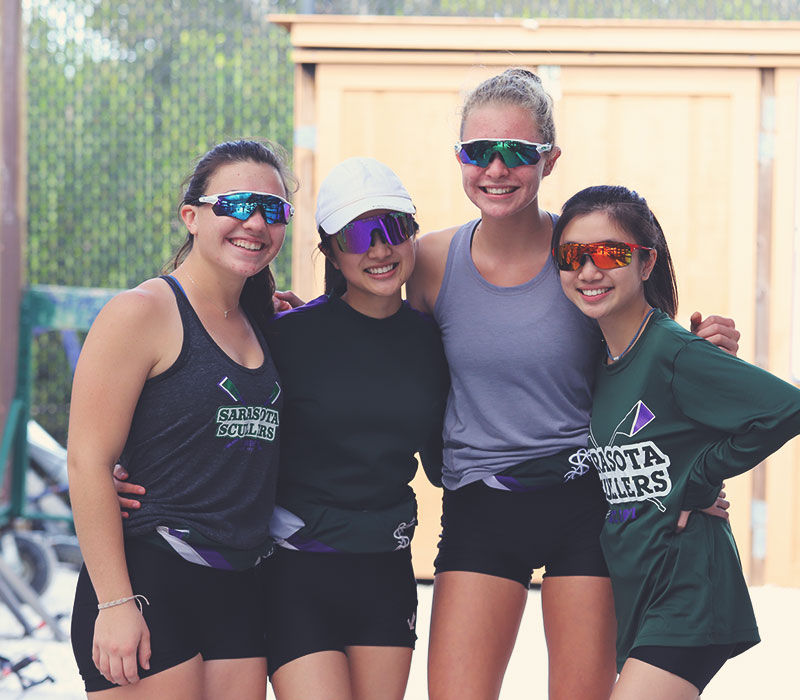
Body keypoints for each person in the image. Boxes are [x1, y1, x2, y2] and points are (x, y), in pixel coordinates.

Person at [405, 68, 740, 700]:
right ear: (459, 158)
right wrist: (285, 316)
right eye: (480, 152)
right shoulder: (428, 263)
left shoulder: (587, 258)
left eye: (518, 153)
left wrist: (694, 461)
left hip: (588, 502)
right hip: (482, 502)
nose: (497, 169)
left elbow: (649, 367)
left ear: (550, 159)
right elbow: (368, 339)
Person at [114, 157, 450, 700]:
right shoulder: (283, 336)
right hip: (297, 570)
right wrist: (122, 468)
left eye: (395, 228)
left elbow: (442, 459)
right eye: (359, 234)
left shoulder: (434, 341)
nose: (380, 248)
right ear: (331, 252)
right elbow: (207, 412)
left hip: (386, 568)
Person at [552, 184, 800, 699]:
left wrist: (699, 478)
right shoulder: (603, 361)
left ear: (646, 264)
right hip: (641, 592)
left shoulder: (672, 348)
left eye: (610, 253)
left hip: (689, 593)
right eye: (573, 256)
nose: (589, 270)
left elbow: (785, 408)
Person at [68, 139, 292, 698]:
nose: (257, 222)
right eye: (238, 204)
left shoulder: (265, 320)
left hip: (237, 585)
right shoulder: (142, 313)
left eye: (275, 209)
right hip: (149, 581)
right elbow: (88, 461)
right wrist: (115, 603)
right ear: (191, 216)